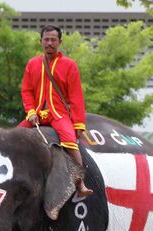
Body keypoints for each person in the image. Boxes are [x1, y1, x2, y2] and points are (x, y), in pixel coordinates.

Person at [19, 24, 92, 197]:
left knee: (70, 142)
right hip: (36, 114)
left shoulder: (69, 65)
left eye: (53, 40)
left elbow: (76, 97)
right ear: (40, 41)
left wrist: (78, 124)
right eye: (46, 39)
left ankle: (80, 183)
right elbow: (26, 91)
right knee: (13, 137)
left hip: (59, 114)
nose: (49, 43)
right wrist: (30, 112)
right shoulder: (32, 64)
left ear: (60, 42)